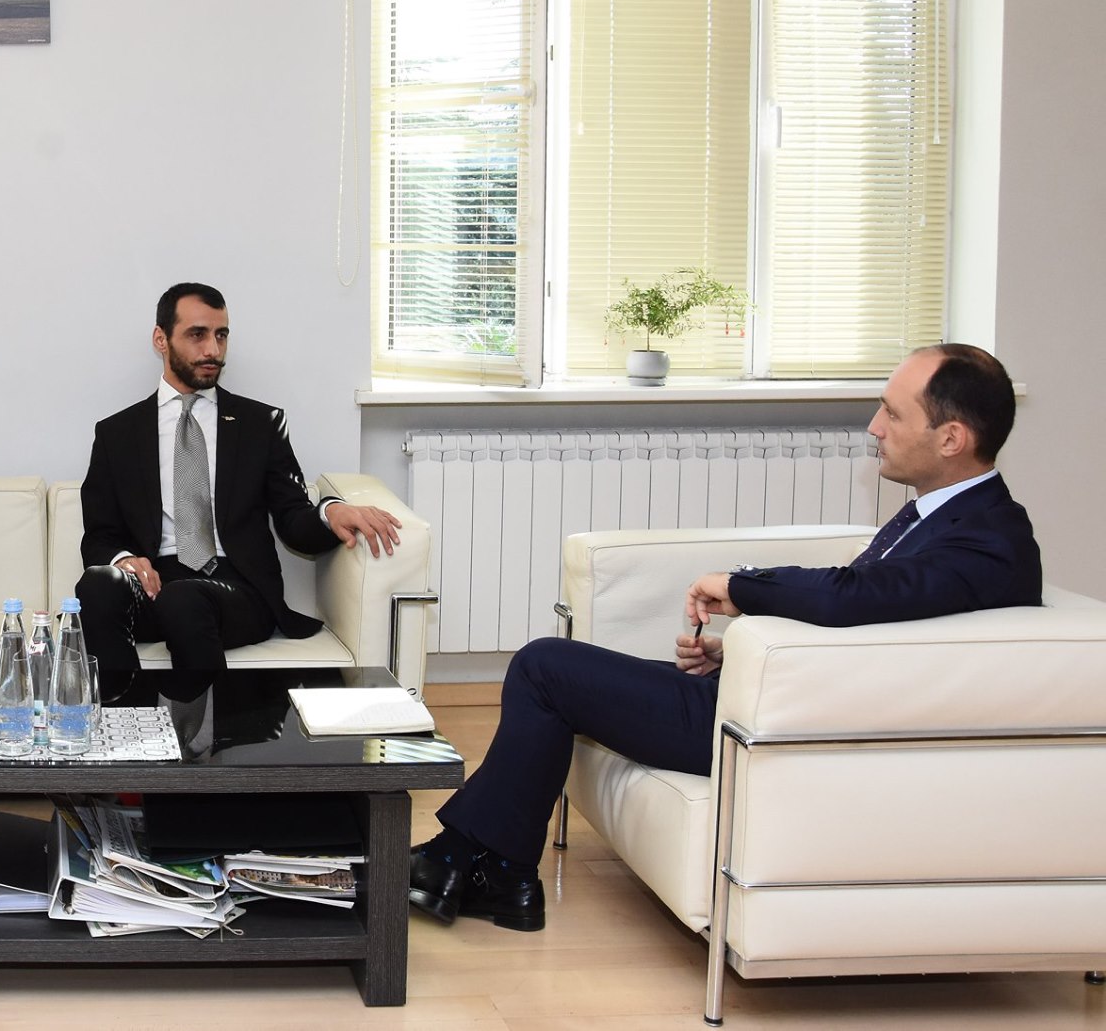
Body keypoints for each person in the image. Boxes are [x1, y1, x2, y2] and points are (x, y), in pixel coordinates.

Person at [409, 343, 1042, 933]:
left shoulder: (987, 542)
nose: (875, 426)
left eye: (892, 413)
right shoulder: (948, 517)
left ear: (951, 438)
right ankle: (495, 870)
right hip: (766, 698)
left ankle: (467, 860)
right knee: (554, 675)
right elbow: (870, 621)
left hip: (771, 728)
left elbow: (852, 596)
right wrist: (738, 652)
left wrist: (741, 586)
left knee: (546, 666)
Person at [75, 282, 402, 698]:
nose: (213, 349)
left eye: (221, 335)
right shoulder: (117, 433)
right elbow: (99, 535)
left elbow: (293, 518)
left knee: (184, 600)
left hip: (236, 590)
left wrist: (330, 511)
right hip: (155, 584)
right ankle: (121, 716)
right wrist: (124, 560)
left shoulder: (260, 424)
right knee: (98, 584)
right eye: (197, 335)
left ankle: (200, 730)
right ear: (161, 339)